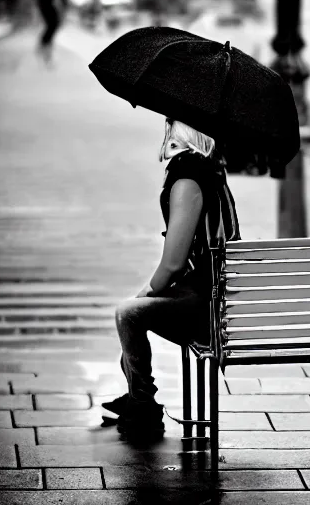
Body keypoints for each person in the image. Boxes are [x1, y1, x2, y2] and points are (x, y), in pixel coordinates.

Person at [102, 119, 240, 437]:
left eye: (169, 128)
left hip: (205, 304)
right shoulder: (212, 172)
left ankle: (143, 405)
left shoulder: (189, 178)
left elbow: (174, 263)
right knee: (134, 312)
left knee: (129, 313)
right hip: (219, 296)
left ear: (178, 135)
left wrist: (146, 293)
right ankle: (139, 398)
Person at [35, 0, 63, 64]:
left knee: (51, 29)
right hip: (46, 0)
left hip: (47, 1)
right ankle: (46, 53)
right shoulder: (46, 2)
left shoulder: (45, 3)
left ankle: (45, 52)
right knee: (51, 29)